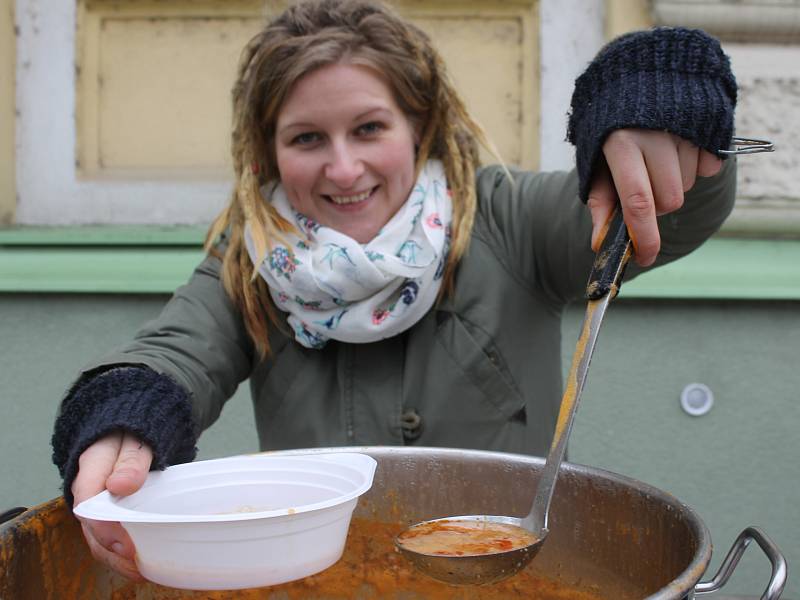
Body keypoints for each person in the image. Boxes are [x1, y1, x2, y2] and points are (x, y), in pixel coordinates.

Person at [51, 0, 738, 581]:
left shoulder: (506, 220)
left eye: (370, 128)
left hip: (508, 580)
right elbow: (177, 354)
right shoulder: (253, 262)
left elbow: (677, 212)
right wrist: (124, 413)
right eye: (307, 138)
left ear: (420, 127)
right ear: (266, 152)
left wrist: (660, 97)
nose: (343, 167)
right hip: (325, 583)